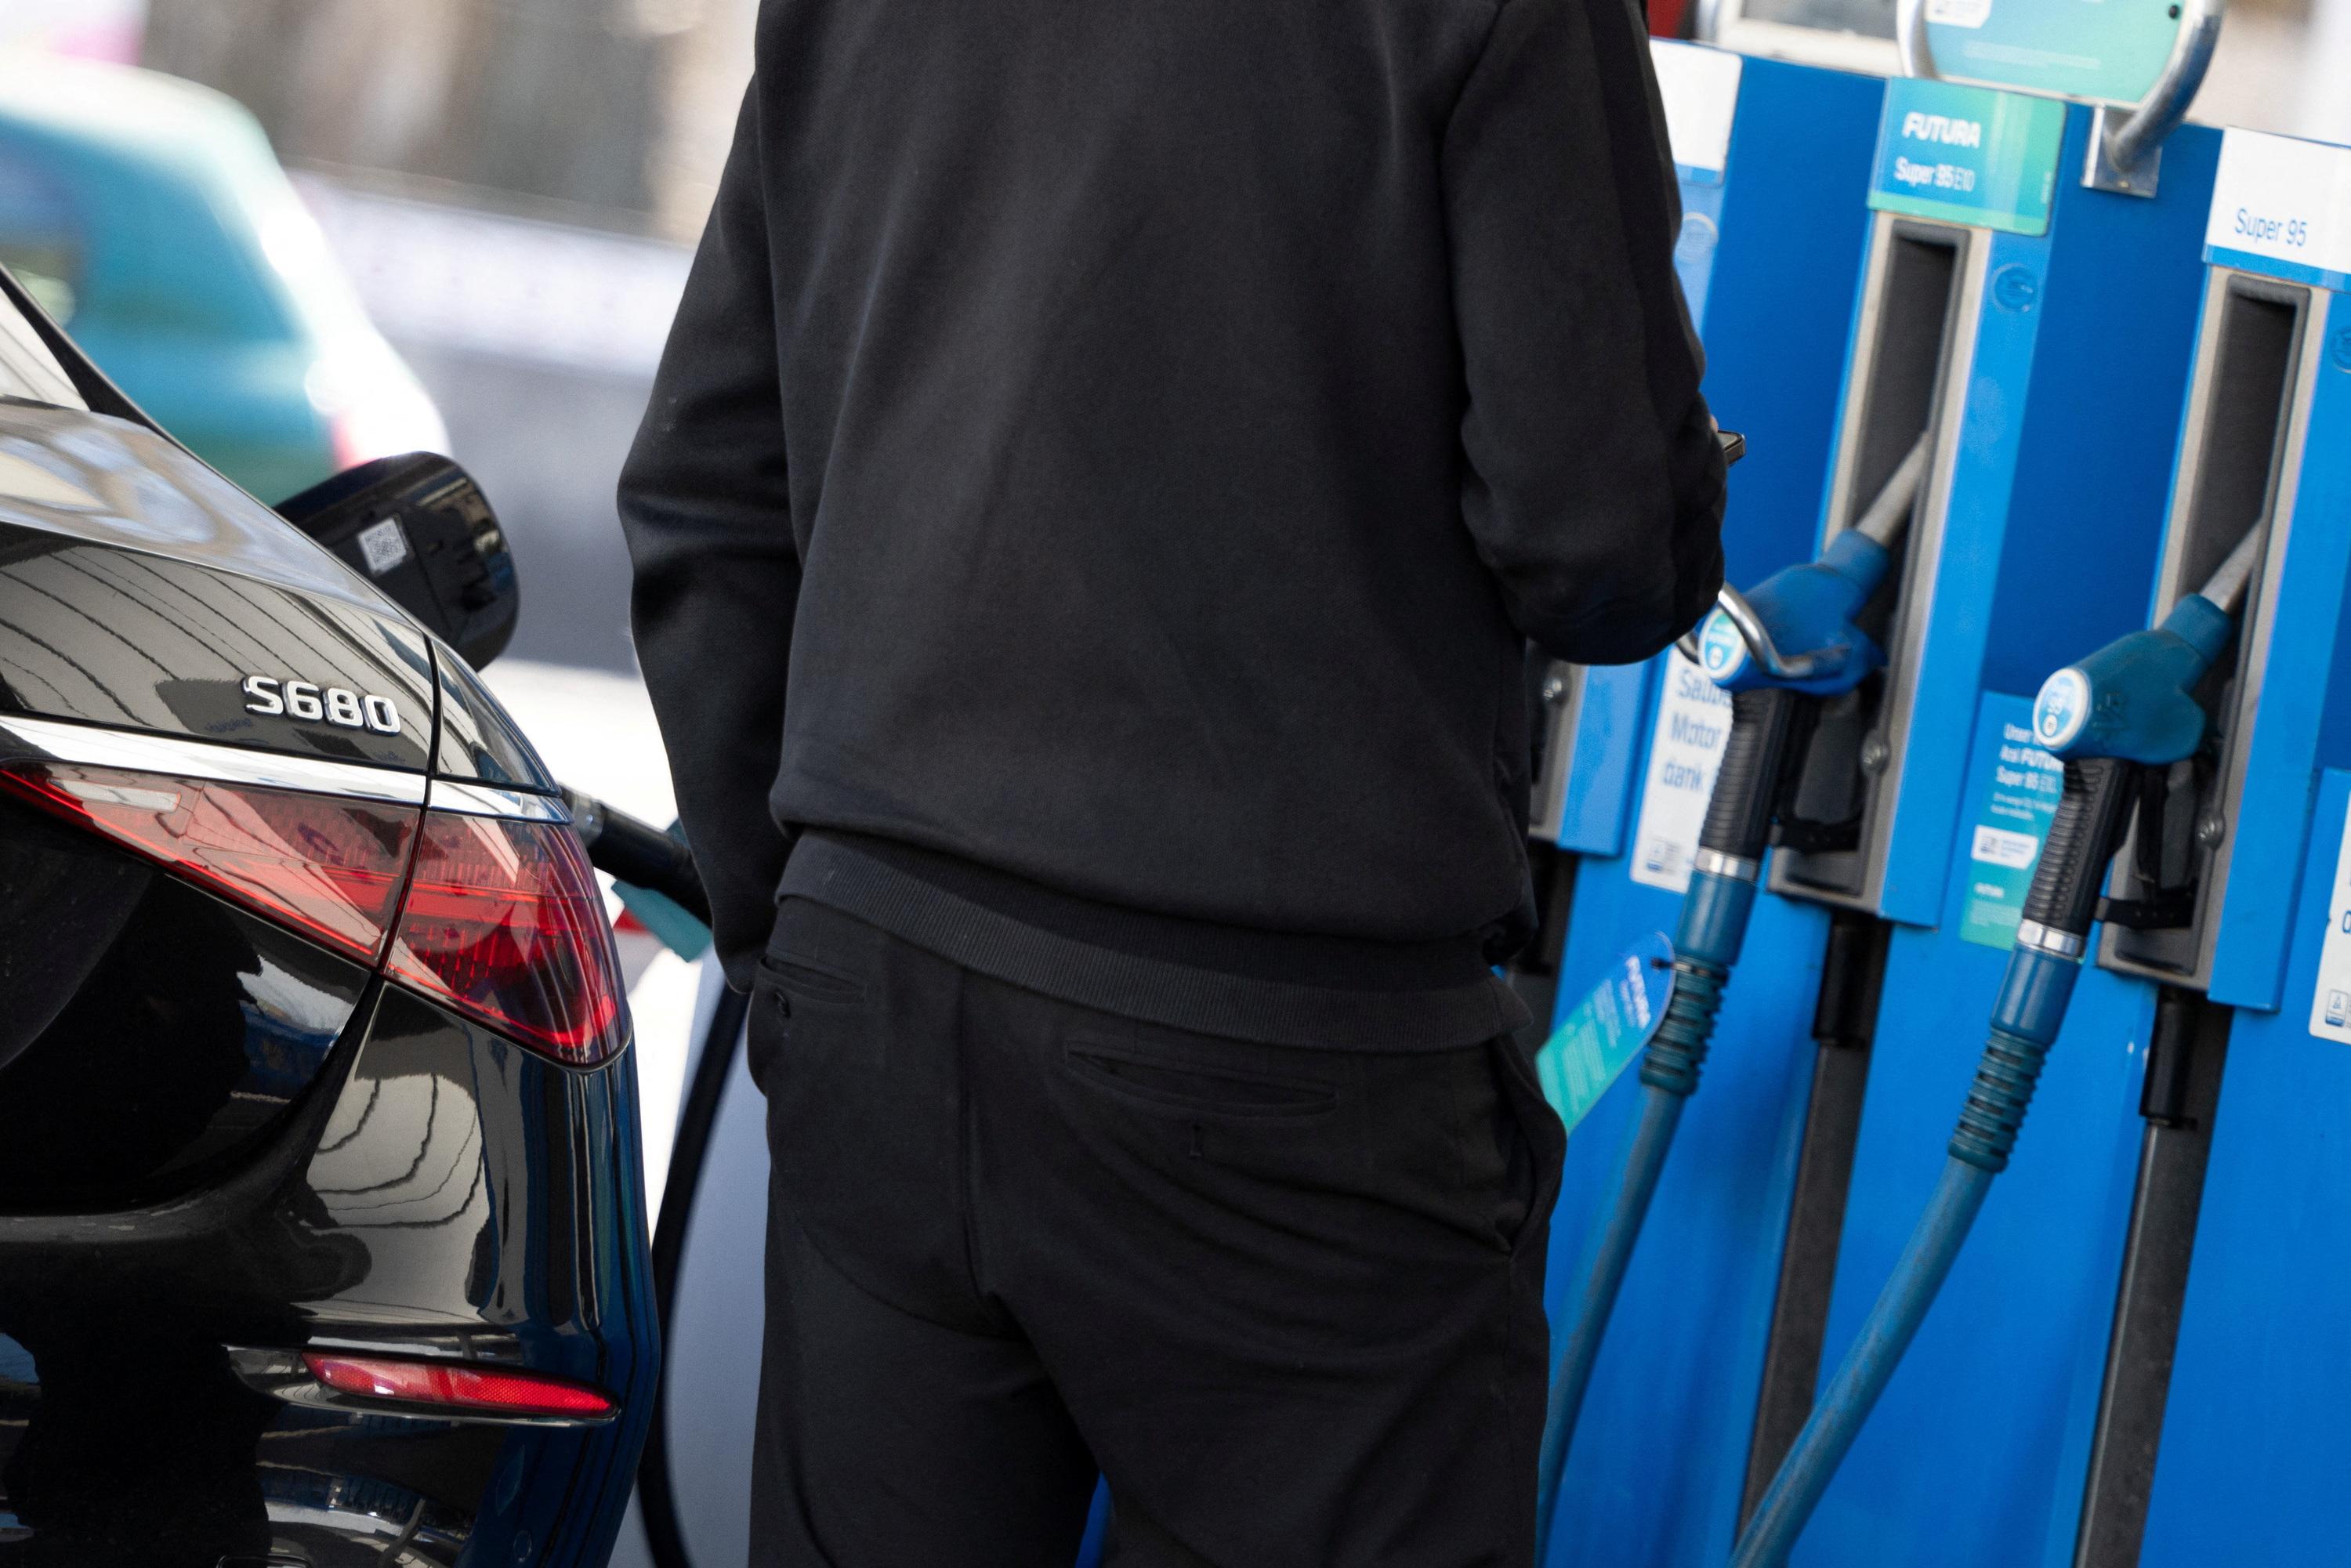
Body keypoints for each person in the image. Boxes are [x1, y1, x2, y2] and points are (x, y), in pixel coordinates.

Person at [618, 0, 1725, 1558]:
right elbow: (1598, 544)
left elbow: (702, 497)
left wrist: (798, 948)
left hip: (886, 996)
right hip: (1287, 1059)